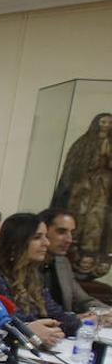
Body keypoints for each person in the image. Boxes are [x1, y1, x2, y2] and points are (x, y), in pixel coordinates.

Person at [0, 212, 79, 347]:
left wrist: (87, 322)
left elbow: (57, 314)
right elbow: (5, 326)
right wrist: (31, 331)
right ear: (17, 242)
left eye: (46, 236)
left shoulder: (34, 277)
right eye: (37, 237)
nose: (46, 243)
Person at [50, 113, 112, 275]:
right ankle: (72, 250)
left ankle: (90, 256)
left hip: (103, 189)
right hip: (83, 187)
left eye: (109, 123)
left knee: (97, 221)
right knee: (80, 217)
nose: (105, 125)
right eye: (103, 122)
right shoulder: (83, 143)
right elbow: (73, 167)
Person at [38, 207, 100, 315]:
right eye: (61, 232)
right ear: (43, 231)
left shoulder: (62, 262)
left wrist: (106, 312)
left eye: (71, 233)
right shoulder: (24, 267)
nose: (69, 240)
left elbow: (85, 301)